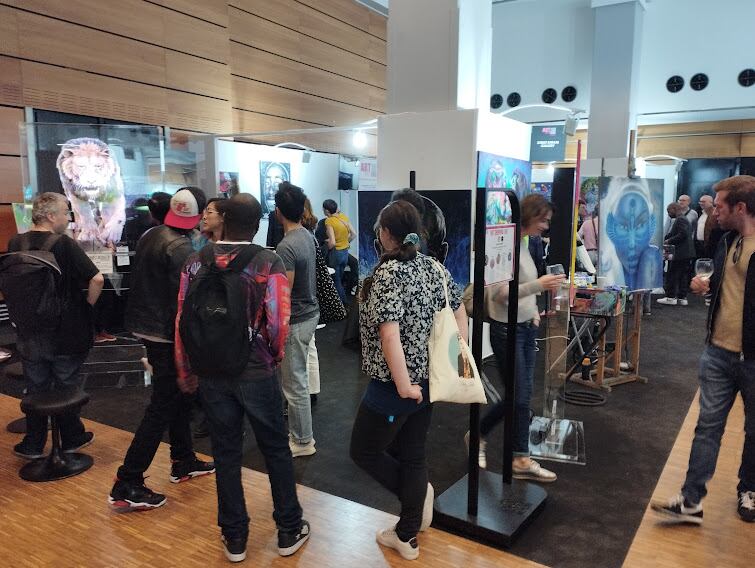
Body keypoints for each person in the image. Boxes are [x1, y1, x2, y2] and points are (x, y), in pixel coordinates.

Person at [175, 195, 311, 562]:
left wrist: (185, 368)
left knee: (225, 451)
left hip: (211, 370)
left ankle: (234, 537)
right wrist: (273, 355)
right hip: (255, 371)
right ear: (256, 224)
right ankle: (288, 528)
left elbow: (182, 321)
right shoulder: (268, 262)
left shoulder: (195, 261)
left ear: (225, 220)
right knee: (275, 449)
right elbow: (278, 323)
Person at [350, 200, 466, 561]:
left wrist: (402, 384)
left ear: (385, 234)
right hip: (429, 382)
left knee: (364, 450)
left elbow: (389, 336)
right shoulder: (433, 267)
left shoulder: (386, 274)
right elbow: (460, 310)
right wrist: (453, 359)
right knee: (414, 455)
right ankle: (407, 533)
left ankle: (415, 506)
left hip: (395, 388)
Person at [652, 175, 755, 524]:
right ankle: (691, 499)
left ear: (740, 207)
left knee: (754, 430)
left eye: (721, 206)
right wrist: (705, 287)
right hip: (717, 352)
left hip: (752, 358)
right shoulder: (727, 241)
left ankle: (749, 489)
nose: (714, 212)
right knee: (707, 427)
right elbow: (730, 289)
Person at [109, 187, 215, 512]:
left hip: (146, 327)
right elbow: (189, 302)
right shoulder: (182, 249)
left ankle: (183, 460)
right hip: (167, 334)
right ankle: (128, 480)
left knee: (176, 398)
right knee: (162, 405)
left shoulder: (151, 235)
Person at [471, 194, 563, 479]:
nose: (546, 226)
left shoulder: (524, 244)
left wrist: (533, 310)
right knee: (519, 399)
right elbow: (499, 295)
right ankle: (486, 440)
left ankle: (518, 458)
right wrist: (539, 285)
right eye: (543, 220)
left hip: (524, 327)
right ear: (530, 215)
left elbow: (519, 289)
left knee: (520, 397)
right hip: (506, 330)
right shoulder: (504, 243)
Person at [6, 192, 104, 459]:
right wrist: (87, 306)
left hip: (28, 330)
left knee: (36, 388)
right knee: (65, 386)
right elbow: (96, 279)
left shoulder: (16, 241)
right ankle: (72, 438)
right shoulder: (64, 244)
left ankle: (34, 443)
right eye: (65, 212)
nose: (68, 218)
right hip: (65, 329)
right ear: (50, 216)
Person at [276, 182, 320, 456]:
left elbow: (284, 293)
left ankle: (303, 441)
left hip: (297, 318)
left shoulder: (286, 246)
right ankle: (300, 435)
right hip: (310, 314)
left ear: (278, 211)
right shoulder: (306, 235)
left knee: (295, 383)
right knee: (297, 378)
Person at [301, 197, 321, 404]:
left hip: (302, 299)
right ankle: (313, 389)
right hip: (312, 296)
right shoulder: (312, 231)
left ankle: (306, 391)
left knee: (302, 349)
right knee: (311, 346)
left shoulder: (296, 237)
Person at [658, 203, 694, 306]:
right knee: (683, 276)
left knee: (672, 274)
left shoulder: (680, 219)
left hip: (680, 253)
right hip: (686, 253)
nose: (668, 214)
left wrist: (668, 241)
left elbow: (682, 234)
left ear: (674, 209)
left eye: (669, 211)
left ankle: (670, 297)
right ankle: (682, 297)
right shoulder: (683, 219)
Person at [323, 198, 355, 302]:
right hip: (345, 253)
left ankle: (343, 305)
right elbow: (353, 234)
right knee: (339, 281)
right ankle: (343, 304)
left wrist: (325, 248)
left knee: (336, 282)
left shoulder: (329, 221)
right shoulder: (343, 217)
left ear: (327, 211)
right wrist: (345, 242)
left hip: (336, 254)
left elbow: (332, 242)